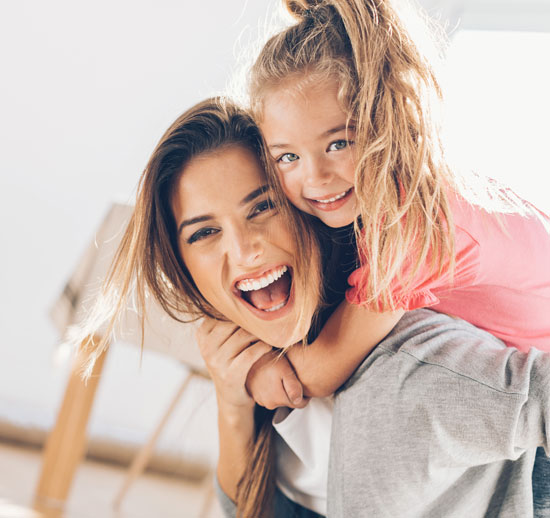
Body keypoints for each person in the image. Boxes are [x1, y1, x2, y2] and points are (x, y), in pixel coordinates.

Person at [79, 97, 550, 517]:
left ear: (309, 206)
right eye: (204, 232)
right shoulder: (260, 361)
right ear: (184, 268)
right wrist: (233, 403)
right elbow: (252, 508)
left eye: (262, 207)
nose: (244, 250)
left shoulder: (410, 364)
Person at [244, 0, 550, 412]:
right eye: (287, 157)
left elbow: (319, 374)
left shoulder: (416, 225)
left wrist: (251, 365)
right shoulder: (414, 190)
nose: (316, 178)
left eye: (338, 143)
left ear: (388, 122)